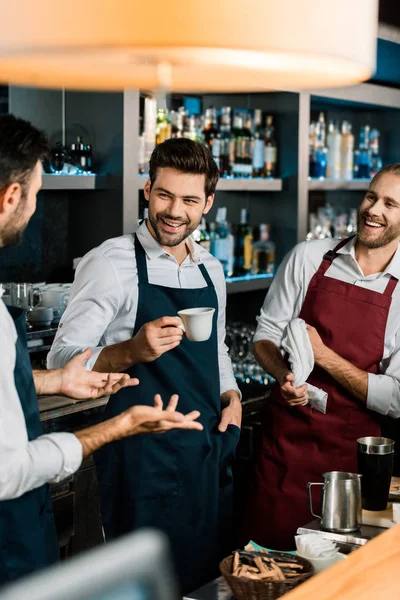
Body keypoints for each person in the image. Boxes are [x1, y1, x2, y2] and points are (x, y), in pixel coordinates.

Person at [0, 115, 202, 586]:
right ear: (12, 197)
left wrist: (54, 381)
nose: (34, 207)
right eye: (35, 192)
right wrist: (118, 427)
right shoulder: (110, 261)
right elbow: (10, 471)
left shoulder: (209, 266)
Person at [48, 137, 242, 593]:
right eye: (165, 195)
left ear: (208, 203)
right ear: (147, 189)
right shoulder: (111, 262)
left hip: (205, 451)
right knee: (148, 585)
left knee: (202, 581)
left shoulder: (211, 269)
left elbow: (216, 352)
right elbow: (62, 358)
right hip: (142, 458)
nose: (175, 211)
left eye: (190, 200)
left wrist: (231, 396)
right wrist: (130, 351)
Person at [242, 164, 400, 551]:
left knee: (332, 579)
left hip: (351, 469)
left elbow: (396, 399)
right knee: (264, 568)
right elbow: (265, 335)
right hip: (283, 452)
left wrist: (324, 357)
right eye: (371, 196)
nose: (373, 209)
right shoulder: (309, 257)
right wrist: (283, 375)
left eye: (390, 203)